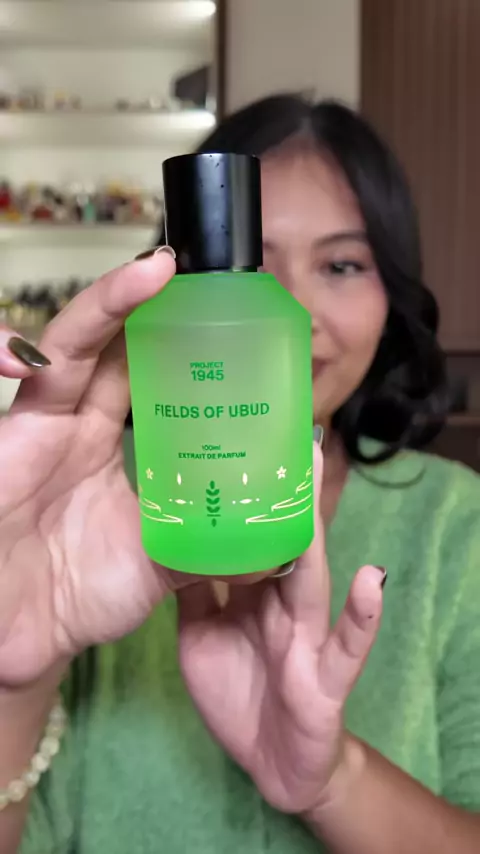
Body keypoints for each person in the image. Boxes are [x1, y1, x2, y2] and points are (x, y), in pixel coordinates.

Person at [0, 93, 479, 854]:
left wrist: (335, 780)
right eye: (260, 259)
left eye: (341, 264)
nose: (292, 308)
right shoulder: (89, 518)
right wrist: (18, 679)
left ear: (393, 288)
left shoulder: (458, 524)